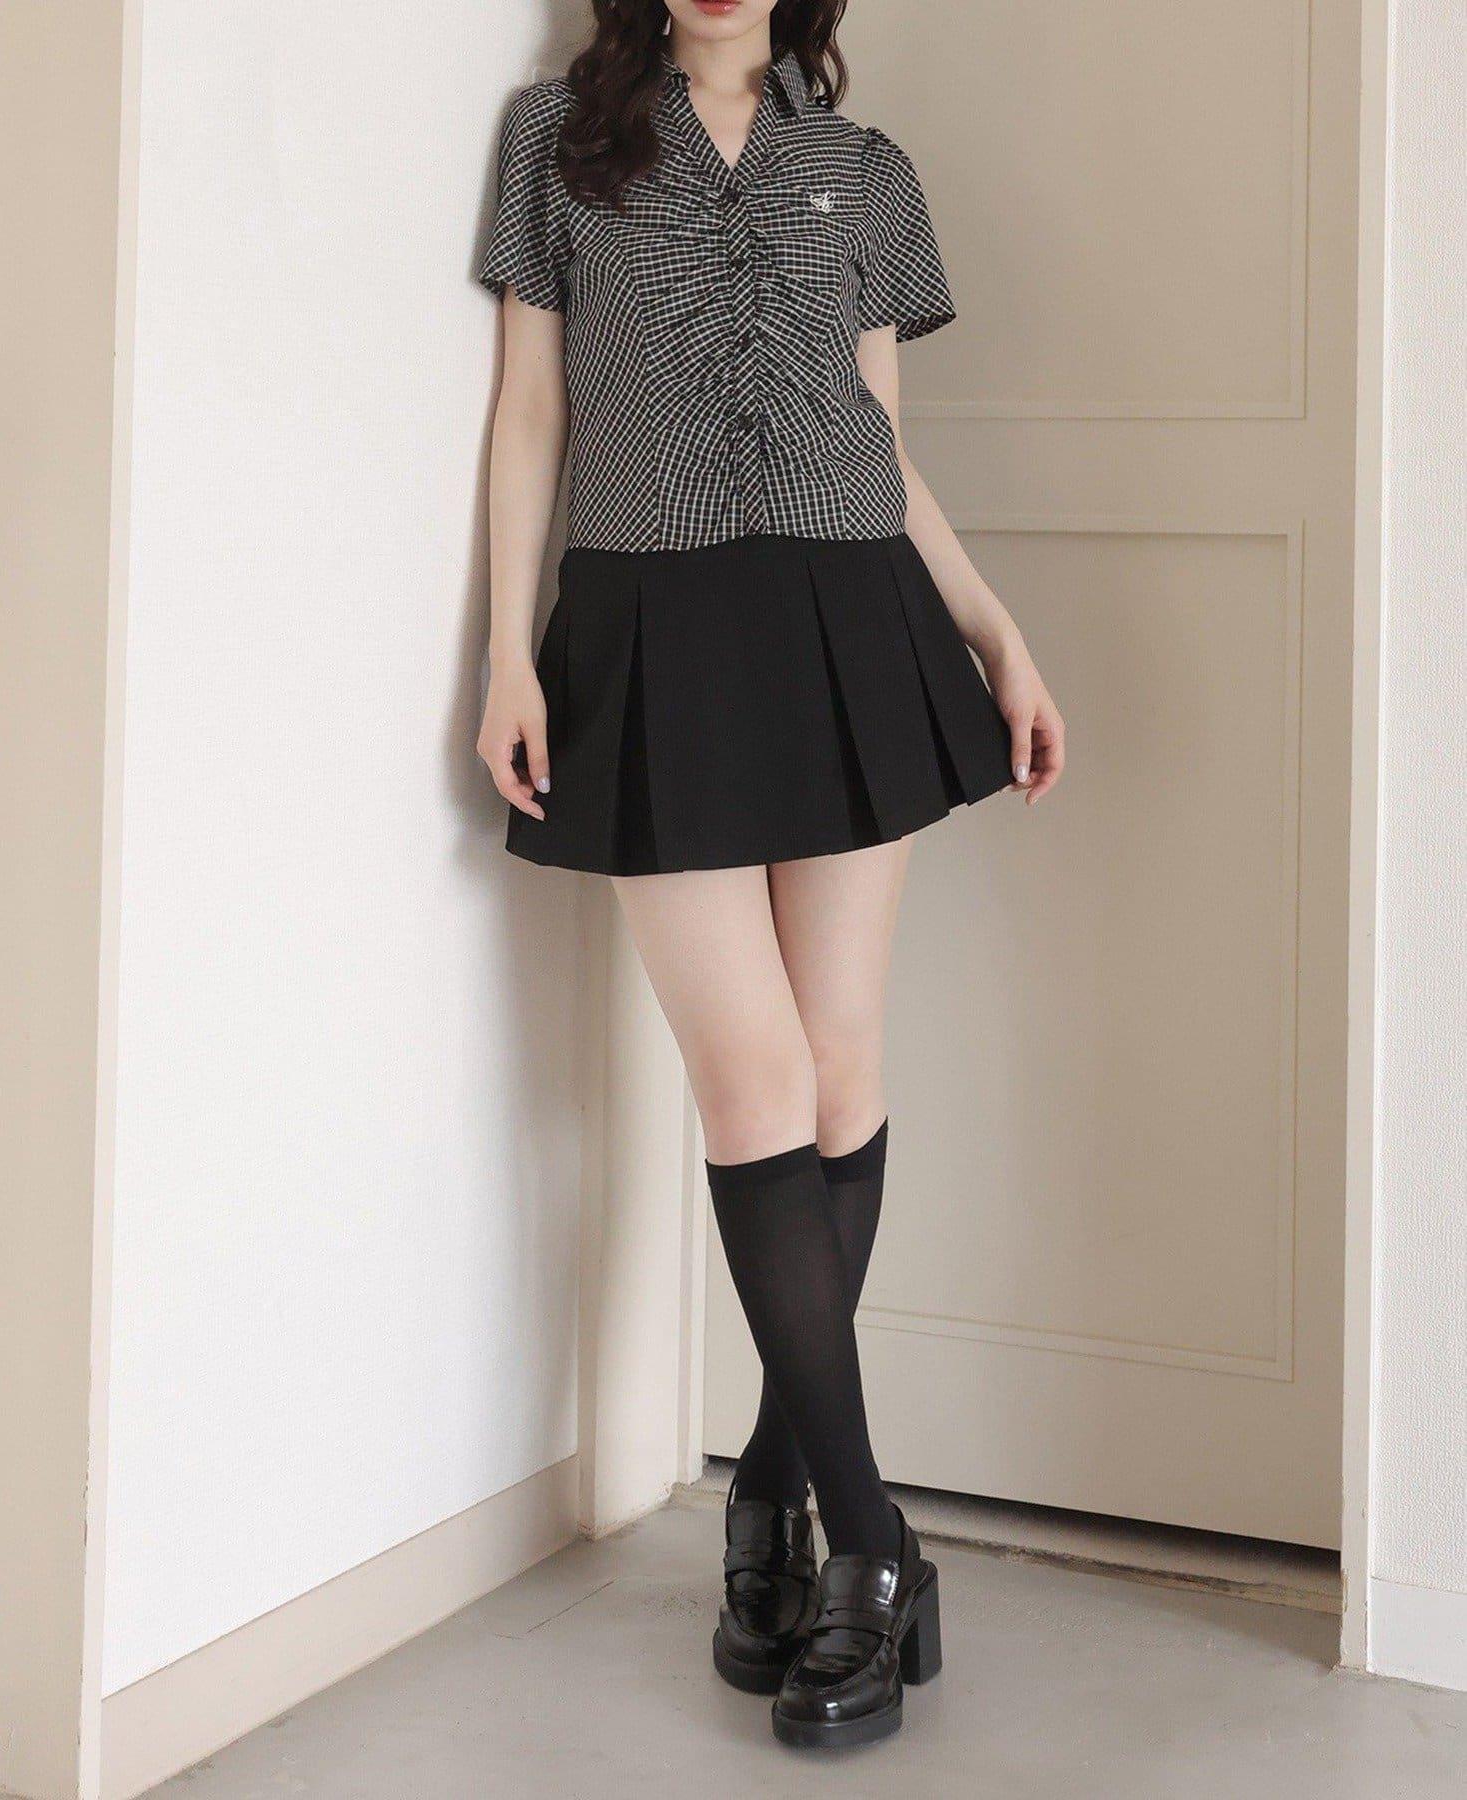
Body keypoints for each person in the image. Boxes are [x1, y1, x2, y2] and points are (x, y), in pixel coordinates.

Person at [476, 0, 1065, 1751]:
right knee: (753, 1082)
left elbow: (879, 435)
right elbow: (530, 410)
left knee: (839, 1064)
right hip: (650, 622)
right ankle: (873, 1543)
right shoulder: (557, 140)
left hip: (848, 612)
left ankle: (770, 1487)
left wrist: (995, 631)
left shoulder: (866, 171)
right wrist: (508, 655)